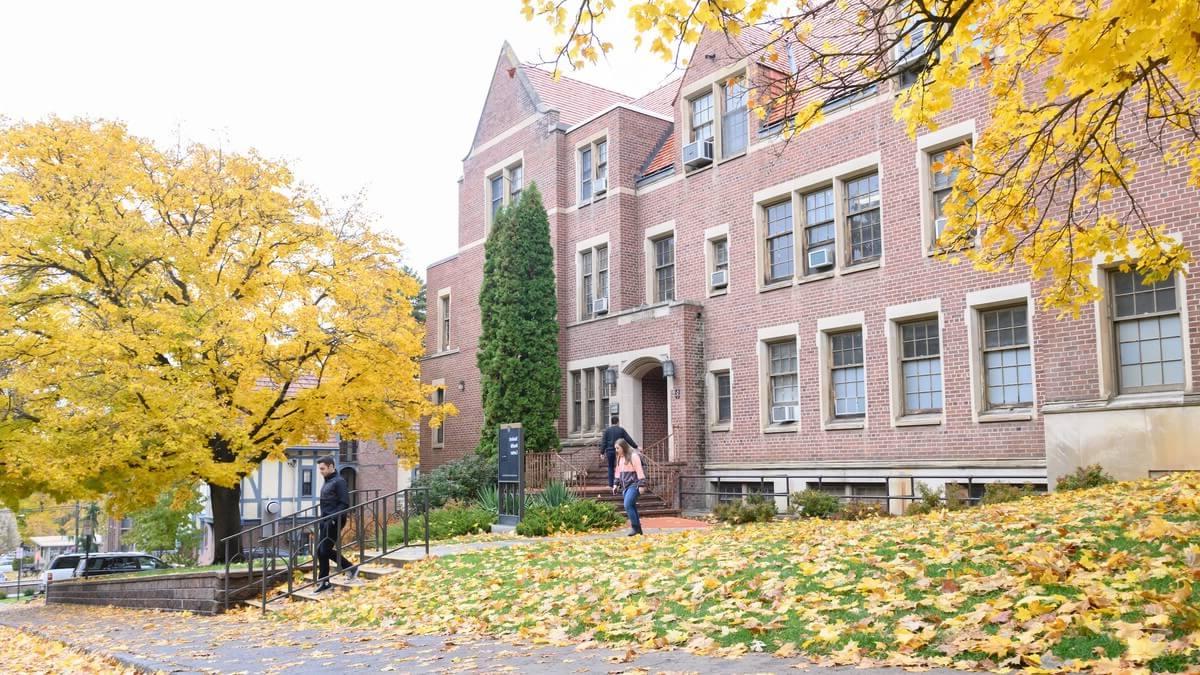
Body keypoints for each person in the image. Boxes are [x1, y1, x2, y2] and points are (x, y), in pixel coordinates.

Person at [314, 456, 357, 592]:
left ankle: (328, 580)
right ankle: (327, 580)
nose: (321, 471)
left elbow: (344, 503)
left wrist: (333, 518)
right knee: (321, 551)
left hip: (334, 520)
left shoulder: (339, 481)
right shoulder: (328, 481)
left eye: (323, 468)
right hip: (325, 520)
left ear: (331, 466)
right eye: (320, 469)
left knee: (324, 550)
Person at [612, 438, 646, 536]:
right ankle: (638, 529)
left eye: (617, 448)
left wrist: (641, 484)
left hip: (634, 484)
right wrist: (615, 484)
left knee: (627, 504)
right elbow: (618, 472)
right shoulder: (619, 457)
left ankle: (634, 527)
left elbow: (639, 471)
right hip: (625, 486)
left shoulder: (633, 456)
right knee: (632, 506)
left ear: (623, 447)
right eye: (615, 448)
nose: (616, 450)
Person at [599, 417, 638, 490]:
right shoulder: (621, 430)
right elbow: (628, 438)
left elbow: (603, 442)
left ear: (611, 422)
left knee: (610, 467)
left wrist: (602, 453)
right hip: (619, 451)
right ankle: (619, 484)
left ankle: (611, 484)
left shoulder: (607, 431)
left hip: (609, 451)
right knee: (620, 467)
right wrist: (635, 446)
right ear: (618, 422)